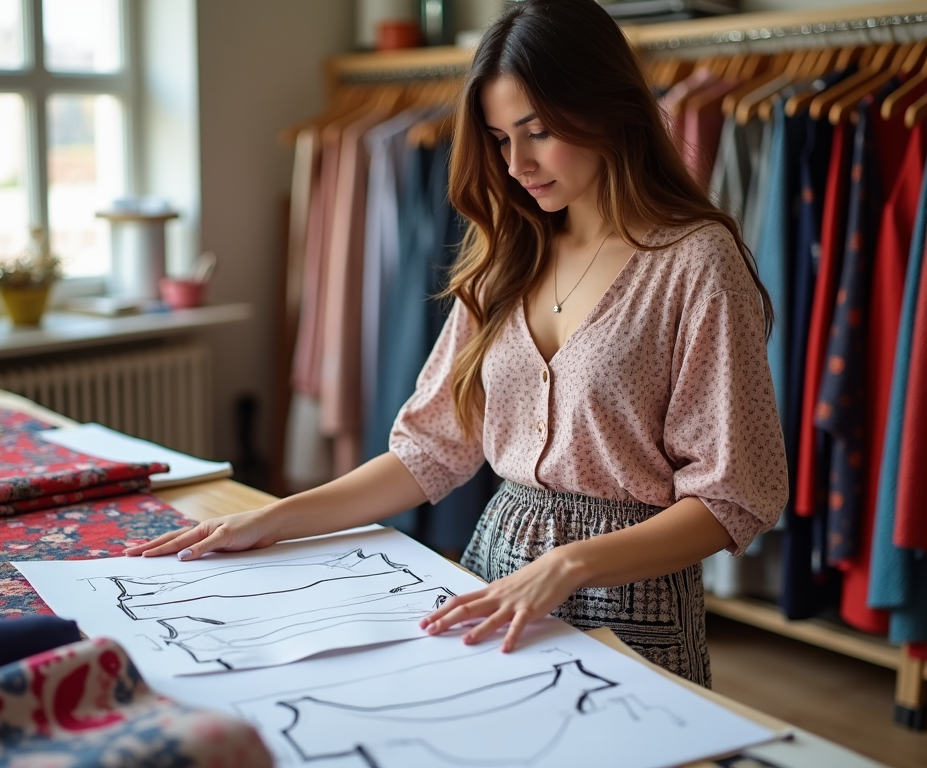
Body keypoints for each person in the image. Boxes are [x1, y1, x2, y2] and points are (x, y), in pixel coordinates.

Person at [127, 0, 788, 688]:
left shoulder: (695, 260)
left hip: (632, 598)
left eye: (538, 132)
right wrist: (276, 518)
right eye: (501, 139)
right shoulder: (511, 254)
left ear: (608, 108)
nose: (518, 163)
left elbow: (731, 498)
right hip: (494, 570)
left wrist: (569, 564)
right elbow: (431, 450)